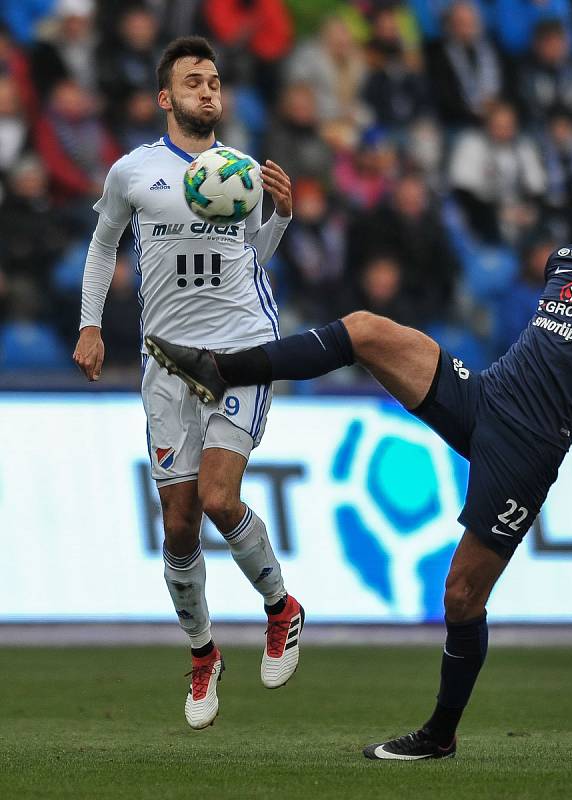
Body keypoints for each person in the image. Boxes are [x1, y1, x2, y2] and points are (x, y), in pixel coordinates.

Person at [144, 159, 572, 758]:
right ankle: (219, 369)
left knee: (461, 597)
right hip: (485, 396)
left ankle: (439, 735)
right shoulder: (566, 261)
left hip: (528, 449)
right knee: (366, 330)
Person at [72, 36, 304, 731]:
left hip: (241, 349)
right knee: (178, 526)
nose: (209, 91)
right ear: (166, 98)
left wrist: (281, 217)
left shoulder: (240, 171)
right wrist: (91, 324)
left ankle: (280, 608)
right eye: (194, 82)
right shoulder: (132, 173)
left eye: (215, 82)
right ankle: (203, 653)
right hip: (165, 360)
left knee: (215, 496)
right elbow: (102, 242)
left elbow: (250, 263)